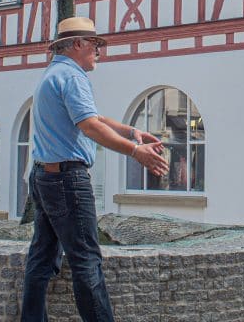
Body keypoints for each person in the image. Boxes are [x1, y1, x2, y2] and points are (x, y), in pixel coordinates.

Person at [20, 17, 169, 322]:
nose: (99, 51)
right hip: (66, 179)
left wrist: (130, 131)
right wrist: (135, 151)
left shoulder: (53, 74)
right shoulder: (73, 78)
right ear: (77, 44)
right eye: (95, 44)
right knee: (87, 259)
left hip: (44, 176)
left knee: (42, 256)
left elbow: (94, 117)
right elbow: (90, 126)